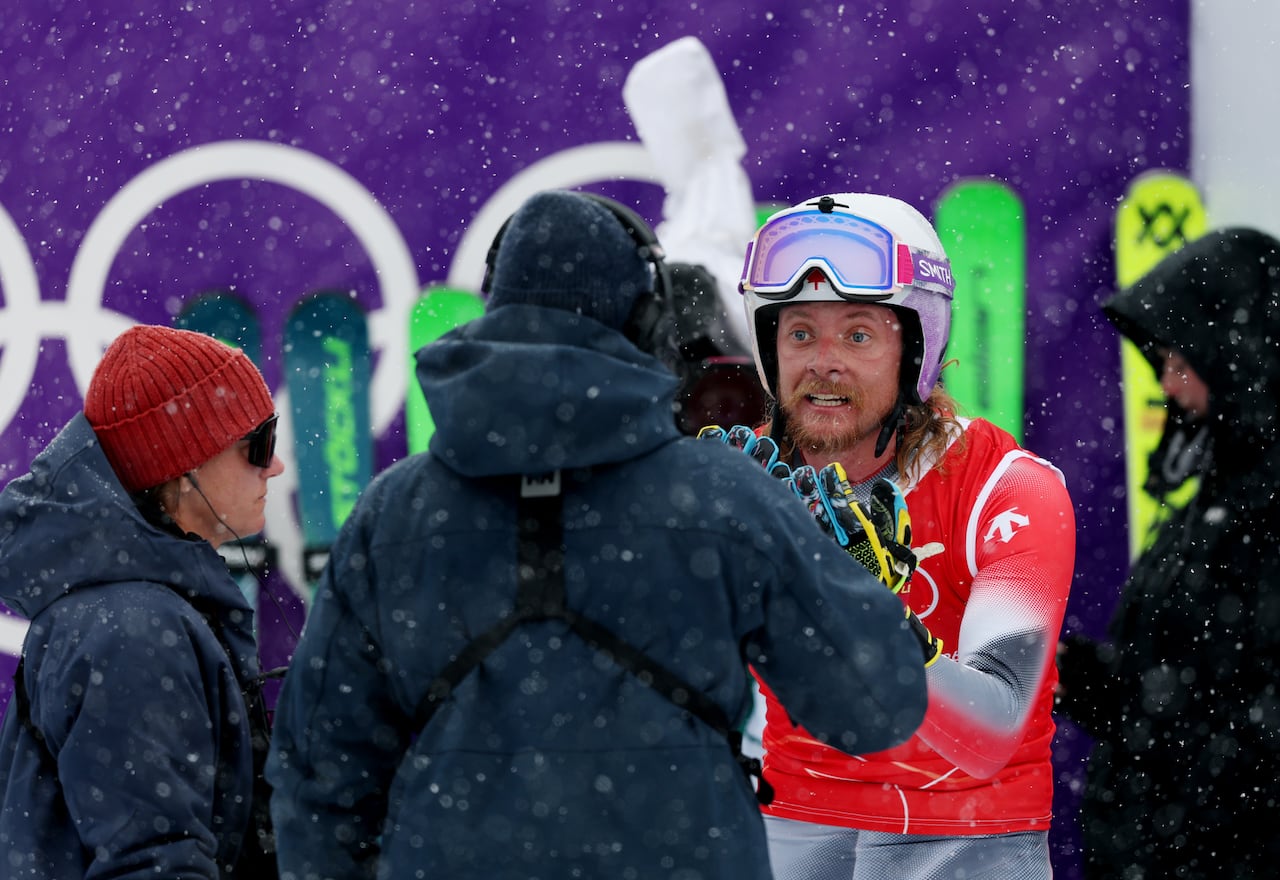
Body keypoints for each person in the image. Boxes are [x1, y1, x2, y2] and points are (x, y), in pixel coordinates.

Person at [265, 189, 928, 879]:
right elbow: (876, 707)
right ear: (648, 321)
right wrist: (862, 585)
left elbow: (320, 778)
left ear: (494, 310)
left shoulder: (392, 514)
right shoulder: (725, 496)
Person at [724, 192, 1076, 878]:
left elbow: (991, 732)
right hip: (794, 826)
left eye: (857, 335)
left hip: (965, 838)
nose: (823, 362)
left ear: (917, 348)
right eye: (799, 334)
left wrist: (872, 612)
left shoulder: (1011, 490)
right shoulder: (742, 478)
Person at [0, 324, 285, 877]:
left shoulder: (138, 609)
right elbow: (154, 862)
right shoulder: (133, 632)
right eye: (259, 442)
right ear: (185, 467)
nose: (273, 465)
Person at [1055, 227, 1280, 879]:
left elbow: (1234, 727)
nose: (1171, 387)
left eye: (1185, 363)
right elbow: (1177, 684)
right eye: (1164, 365)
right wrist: (1074, 673)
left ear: (1241, 358)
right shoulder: (1216, 497)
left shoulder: (1261, 509)